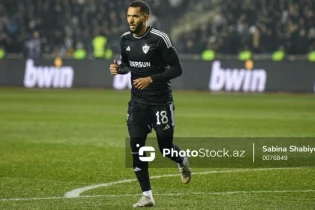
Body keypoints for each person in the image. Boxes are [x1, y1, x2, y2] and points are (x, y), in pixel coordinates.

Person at [109, 0, 191, 208]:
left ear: (145, 17)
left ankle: (181, 160)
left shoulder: (159, 39)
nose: (131, 20)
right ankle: (147, 195)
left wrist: (151, 79)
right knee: (136, 147)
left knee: (165, 148)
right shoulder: (125, 39)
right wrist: (120, 69)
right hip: (138, 103)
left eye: (135, 16)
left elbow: (177, 69)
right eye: (129, 16)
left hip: (161, 101)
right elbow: (127, 64)